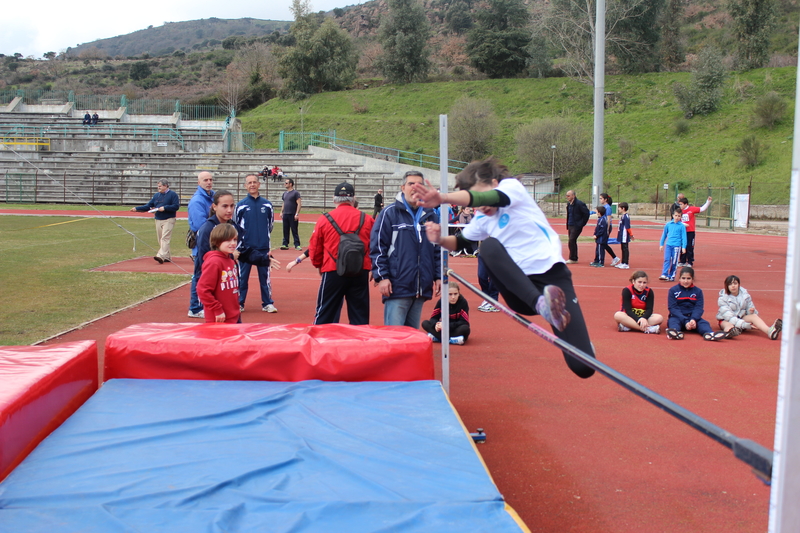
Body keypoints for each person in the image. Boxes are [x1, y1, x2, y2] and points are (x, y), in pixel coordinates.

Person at [412, 157, 596, 379]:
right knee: (488, 246)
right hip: (521, 289)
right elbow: (460, 242)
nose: (480, 206)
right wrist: (439, 239)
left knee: (583, 367)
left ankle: (577, 339)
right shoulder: (481, 218)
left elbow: (488, 197)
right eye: (474, 205)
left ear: (493, 183)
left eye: (478, 198)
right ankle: (541, 305)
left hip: (554, 281)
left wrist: (442, 198)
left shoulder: (512, 189)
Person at [371, 170, 441, 328]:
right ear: (403, 187)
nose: (415, 187)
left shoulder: (431, 215)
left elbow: (436, 249)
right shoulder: (389, 214)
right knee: (394, 338)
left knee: (412, 338)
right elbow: (378, 248)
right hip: (397, 286)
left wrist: (438, 276)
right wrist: (382, 277)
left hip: (420, 288)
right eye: (411, 184)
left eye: (420, 184)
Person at [308, 182, 374, 325]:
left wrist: (319, 265)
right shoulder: (367, 219)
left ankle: (322, 344)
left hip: (332, 269)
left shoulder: (324, 219)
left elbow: (315, 247)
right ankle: (360, 345)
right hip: (360, 269)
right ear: (353, 199)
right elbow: (375, 245)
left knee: (325, 314)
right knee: (360, 317)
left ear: (334, 198)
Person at [235, 174, 277, 314]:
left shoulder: (267, 204)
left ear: (259, 184)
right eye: (249, 183)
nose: (252, 185)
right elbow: (236, 227)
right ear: (245, 186)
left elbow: (270, 225)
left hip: (263, 248)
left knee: (265, 278)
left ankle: (267, 303)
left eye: (254, 182)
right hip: (246, 249)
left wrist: (267, 244)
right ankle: (239, 303)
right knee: (242, 278)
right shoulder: (240, 206)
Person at [666, 266, 726, 341]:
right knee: (673, 322)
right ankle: (675, 333)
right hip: (678, 317)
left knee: (704, 323)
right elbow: (673, 308)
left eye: (688, 278)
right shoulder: (673, 290)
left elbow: (699, 308)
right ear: (679, 278)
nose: (686, 281)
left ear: (692, 279)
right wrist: (685, 321)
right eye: (683, 278)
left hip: (692, 317)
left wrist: (693, 319)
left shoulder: (698, 291)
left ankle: (709, 334)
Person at [197, 224, 241, 324]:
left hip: (233, 315)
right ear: (217, 241)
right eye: (228, 240)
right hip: (219, 318)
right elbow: (203, 290)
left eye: (234, 239)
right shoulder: (214, 262)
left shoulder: (230, 260)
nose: (233, 243)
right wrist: (217, 310)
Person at [130, 178, 180, 264]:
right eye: (158, 186)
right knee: (160, 239)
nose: (158, 188)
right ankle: (167, 256)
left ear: (165, 186)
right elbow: (149, 206)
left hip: (169, 219)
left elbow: (176, 206)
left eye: (160, 186)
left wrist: (164, 208)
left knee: (165, 238)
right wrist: (137, 208)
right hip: (158, 219)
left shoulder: (173, 195)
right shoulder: (156, 195)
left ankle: (160, 256)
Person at [717, 275, 782, 340]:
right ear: (727, 286)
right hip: (726, 320)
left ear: (739, 284)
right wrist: (745, 325)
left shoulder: (745, 295)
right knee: (728, 325)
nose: (733, 286)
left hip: (741, 317)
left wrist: (751, 311)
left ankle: (770, 331)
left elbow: (751, 308)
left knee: (753, 316)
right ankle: (729, 332)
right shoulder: (722, 298)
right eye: (730, 284)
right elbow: (729, 317)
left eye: (735, 283)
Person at [187, 172, 215, 318]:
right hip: (202, 245)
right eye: (205, 180)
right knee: (199, 276)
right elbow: (201, 225)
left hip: (214, 244)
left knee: (211, 276)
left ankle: (206, 304)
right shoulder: (197, 201)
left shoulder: (213, 196)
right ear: (199, 182)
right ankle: (195, 308)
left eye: (210, 179)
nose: (209, 182)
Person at [678, 196, 713, 267]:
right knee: (682, 246)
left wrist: (708, 202)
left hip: (690, 231)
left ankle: (690, 262)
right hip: (682, 232)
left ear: (686, 204)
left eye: (681, 204)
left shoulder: (692, 209)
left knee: (689, 246)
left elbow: (702, 209)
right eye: (679, 204)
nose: (680, 206)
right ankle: (682, 261)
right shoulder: (679, 211)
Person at [659, 208, 687, 281]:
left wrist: (684, 247)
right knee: (667, 259)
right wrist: (661, 244)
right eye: (676, 215)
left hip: (677, 246)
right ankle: (664, 274)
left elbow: (684, 237)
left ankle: (671, 275)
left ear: (681, 217)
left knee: (674, 261)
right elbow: (664, 235)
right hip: (669, 245)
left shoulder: (681, 226)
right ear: (673, 215)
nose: (677, 217)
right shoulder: (668, 224)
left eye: (679, 216)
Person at [593, 193, 619, 266]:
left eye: (601, 198)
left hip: (606, 227)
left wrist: (607, 230)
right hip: (603, 227)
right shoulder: (604, 207)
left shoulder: (607, 208)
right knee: (602, 244)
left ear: (605, 199)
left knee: (602, 244)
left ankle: (611, 258)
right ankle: (599, 259)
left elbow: (608, 219)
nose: (600, 200)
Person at [565, 190, 590, 264]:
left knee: (572, 240)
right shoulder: (569, 204)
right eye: (566, 195)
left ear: (573, 196)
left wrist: (582, 223)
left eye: (569, 195)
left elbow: (586, 213)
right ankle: (574, 257)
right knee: (571, 241)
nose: (567, 197)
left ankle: (572, 258)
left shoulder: (579, 204)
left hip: (577, 225)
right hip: (570, 224)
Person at [280, 178, 302, 250]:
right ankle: (285, 243)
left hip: (292, 214)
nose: (285, 184)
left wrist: (297, 213)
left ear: (290, 184)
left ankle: (297, 244)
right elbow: (284, 203)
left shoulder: (295, 193)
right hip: (286, 214)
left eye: (286, 183)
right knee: (285, 229)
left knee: (294, 230)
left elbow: (299, 203)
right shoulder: (285, 193)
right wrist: (281, 212)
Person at [615, 202, 633, 269]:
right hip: (622, 234)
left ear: (623, 208)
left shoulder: (626, 217)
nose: (618, 209)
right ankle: (623, 262)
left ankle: (626, 263)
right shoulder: (623, 216)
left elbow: (628, 227)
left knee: (625, 248)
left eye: (619, 208)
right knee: (622, 248)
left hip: (624, 235)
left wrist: (631, 235)